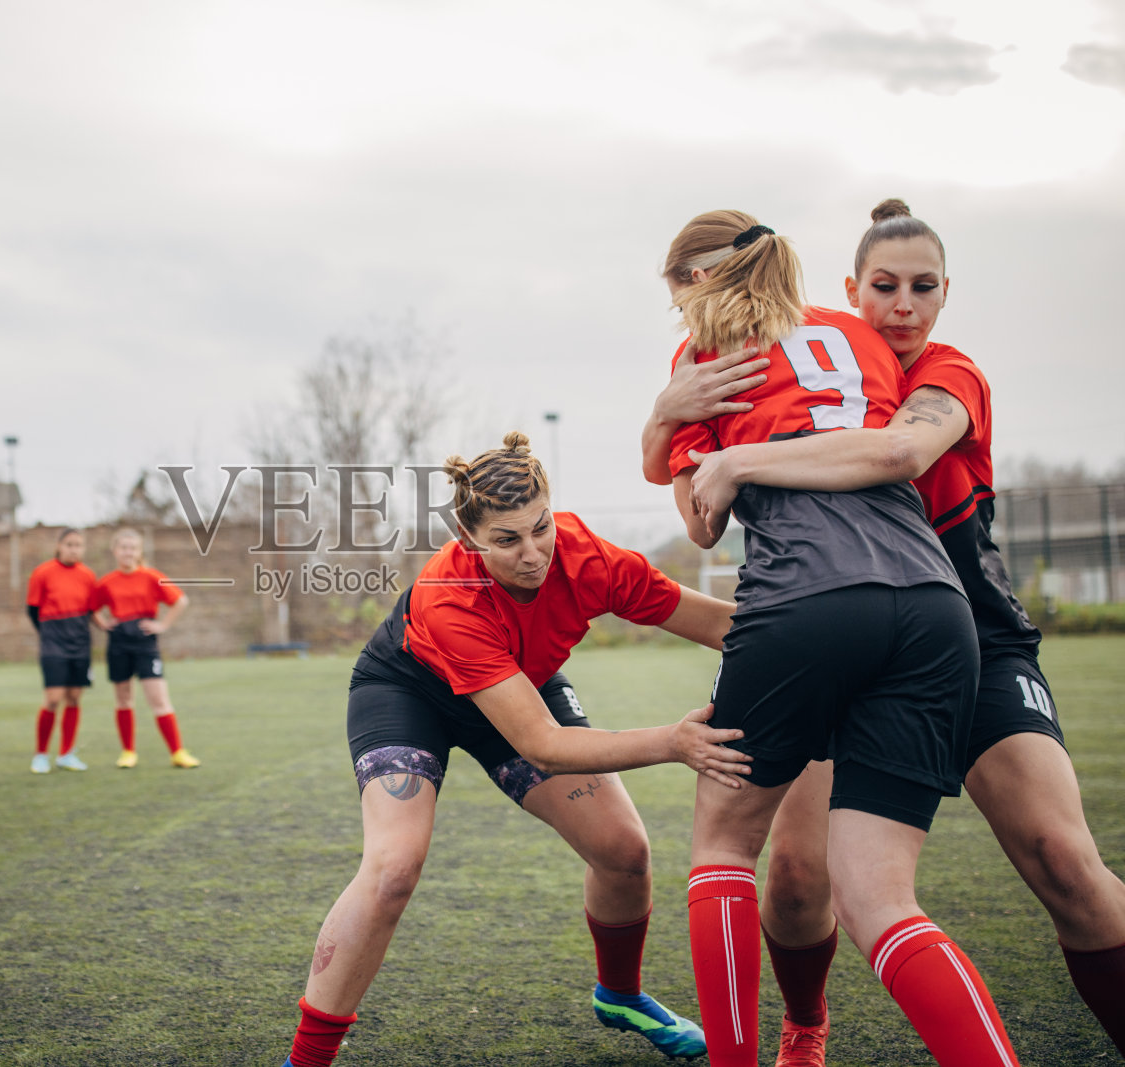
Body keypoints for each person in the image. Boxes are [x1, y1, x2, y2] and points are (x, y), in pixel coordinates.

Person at [658, 199, 1125, 1060]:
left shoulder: (944, 374)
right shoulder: (833, 353)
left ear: (947, 293)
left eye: (923, 287)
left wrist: (729, 454)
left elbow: (894, 454)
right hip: (893, 620)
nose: (903, 305)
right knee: (801, 878)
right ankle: (805, 1028)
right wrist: (669, 414)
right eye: (885, 287)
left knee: (1064, 861)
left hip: (968, 633)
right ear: (851, 290)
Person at [282, 432, 754, 1067]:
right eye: (506, 540)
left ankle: (620, 996)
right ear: (467, 536)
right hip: (409, 692)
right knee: (393, 869)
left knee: (623, 852)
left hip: (518, 684)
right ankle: (306, 1060)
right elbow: (544, 747)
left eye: (540, 528)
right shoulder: (450, 596)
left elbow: (721, 626)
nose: (533, 555)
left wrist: (827, 648)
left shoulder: (586, 556)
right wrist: (674, 741)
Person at [92, 528, 198, 770]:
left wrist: (163, 625)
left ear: (139, 551)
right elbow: (92, 608)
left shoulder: (151, 576)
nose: (128, 552)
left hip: (145, 643)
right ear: (115, 551)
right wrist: (103, 624)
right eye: (123, 548)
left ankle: (177, 752)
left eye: (132, 548)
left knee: (159, 699)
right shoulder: (107, 582)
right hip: (119, 642)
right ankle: (128, 752)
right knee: (123, 699)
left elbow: (180, 600)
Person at [26, 527, 96, 773]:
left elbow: (92, 611)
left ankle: (66, 754)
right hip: (53, 644)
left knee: (74, 697)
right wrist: (49, 633)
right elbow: (32, 610)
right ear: (59, 546)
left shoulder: (88, 575)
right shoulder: (42, 572)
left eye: (78, 545)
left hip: (81, 644)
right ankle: (41, 755)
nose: (74, 549)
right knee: (53, 699)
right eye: (69, 544)